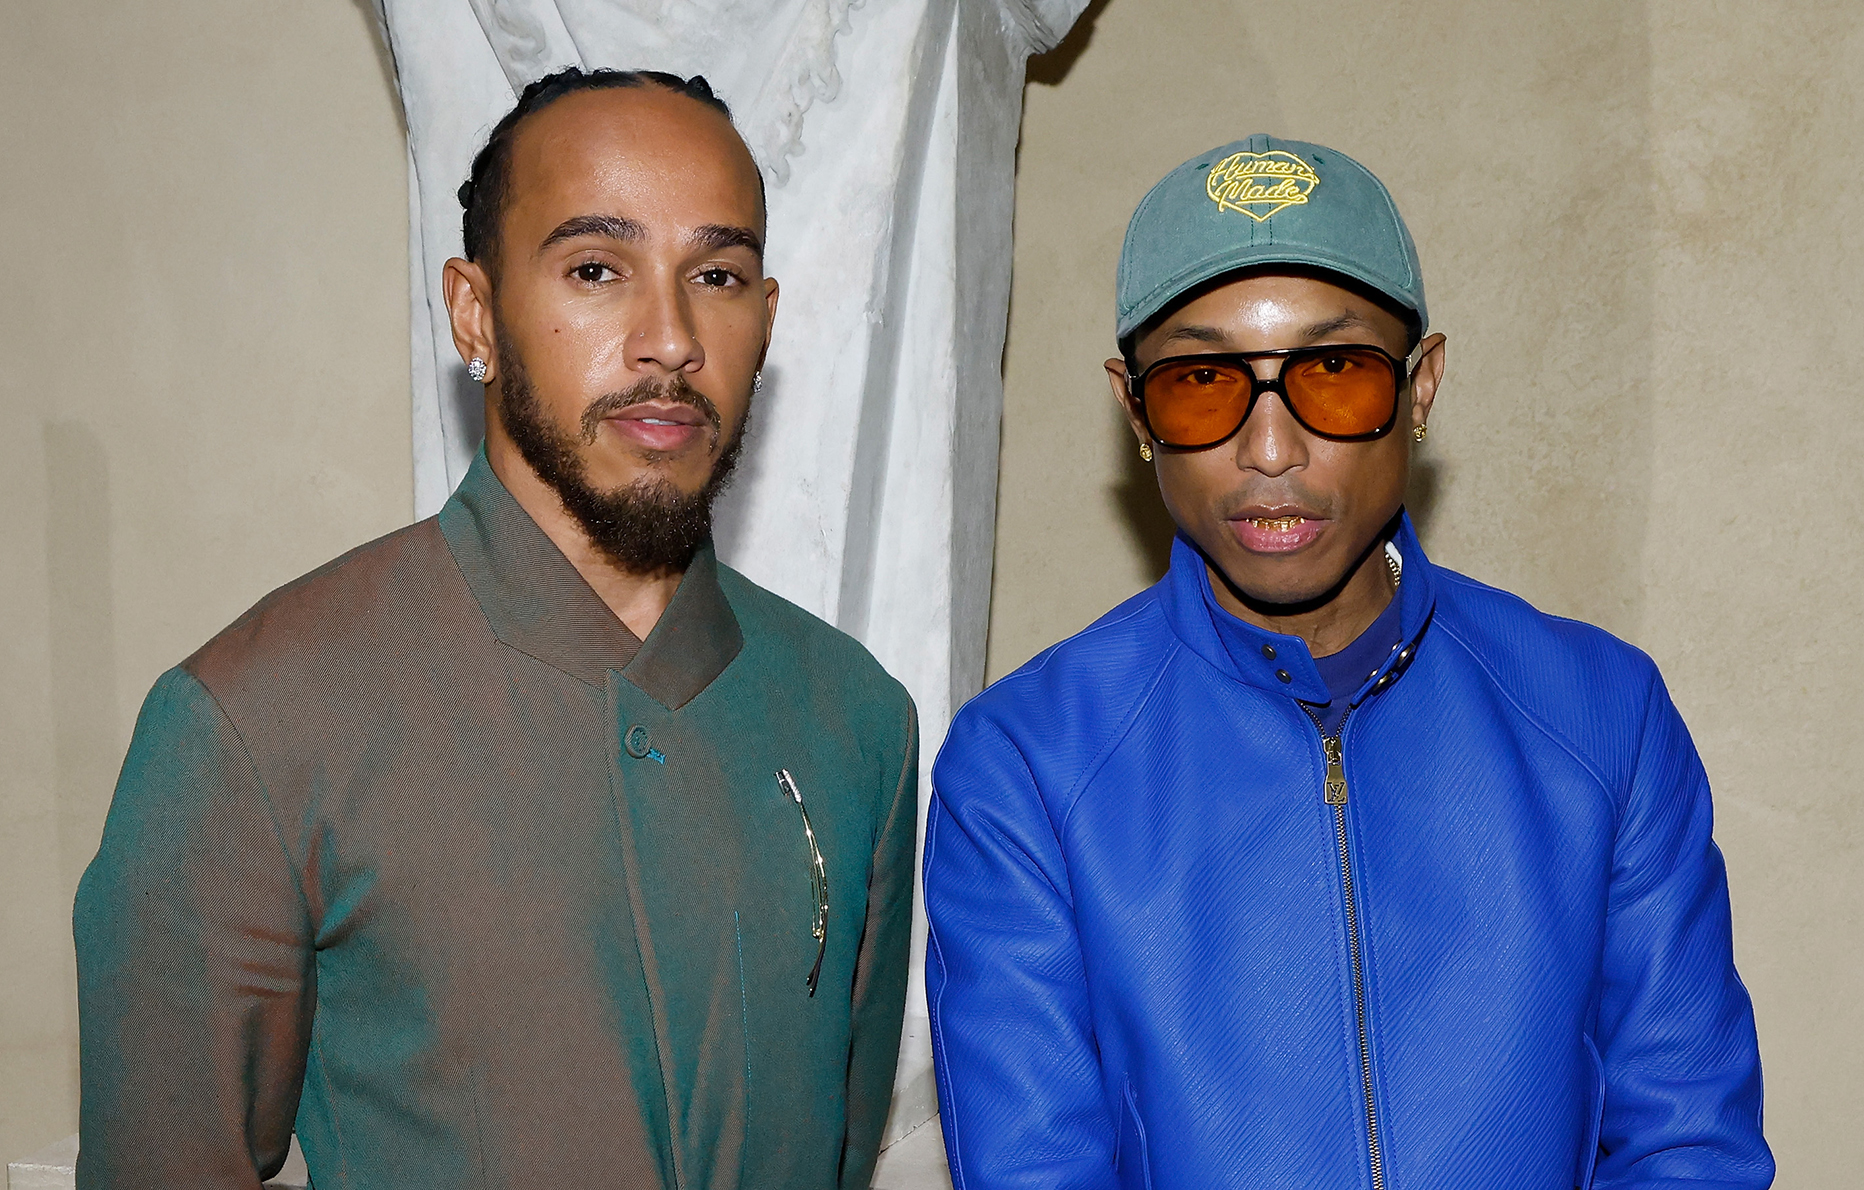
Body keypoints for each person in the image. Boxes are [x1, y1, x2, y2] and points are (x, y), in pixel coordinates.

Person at [74, 68, 917, 1190]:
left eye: (715, 274)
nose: (668, 338)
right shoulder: (255, 721)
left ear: (765, 319)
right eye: (596, 269)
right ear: (474, 310)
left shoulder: (854, 715)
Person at [924, 136, 1772, 1189]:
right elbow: (1032, 1168)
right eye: (1200, 382)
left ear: (1420, 387)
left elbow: (1689, 1144)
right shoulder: (1025, 764)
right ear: (1134, 411)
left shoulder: (1601, 714)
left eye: (1332, 372)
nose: (1270, 448)